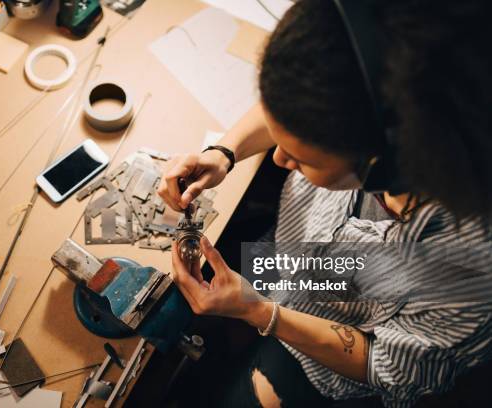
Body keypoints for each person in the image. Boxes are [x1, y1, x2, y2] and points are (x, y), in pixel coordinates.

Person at [157, 0, 492, 407]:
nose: (279, 159)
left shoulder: (469, 270)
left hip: (329, 351)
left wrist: (258, 312)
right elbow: (297, 105)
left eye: (303, 158)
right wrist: (224, 152)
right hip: (297, 262)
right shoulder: (372, 63)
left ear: (381, 162)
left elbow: (388, 366)